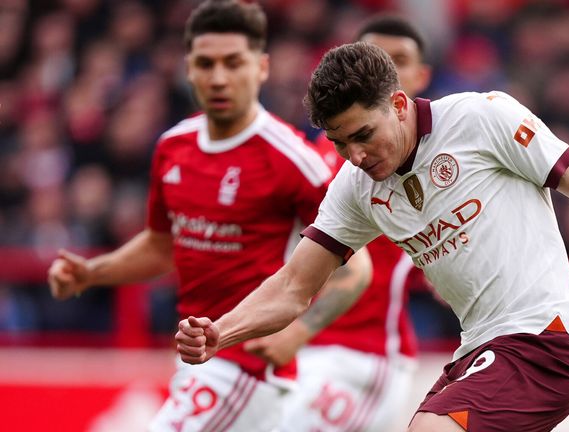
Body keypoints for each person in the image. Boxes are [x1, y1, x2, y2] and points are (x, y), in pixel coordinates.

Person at [175, 42, 569, 431]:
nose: (356, 155)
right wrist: (219, 333)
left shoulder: (480, 119)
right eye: (342, 143)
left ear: (398, 104)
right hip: (479, 351)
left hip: (545, 339)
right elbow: (295, 287)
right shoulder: (356, 187)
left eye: (364, 135)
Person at [46, 2, 371, 431]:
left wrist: (296, 333)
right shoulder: (172, 146)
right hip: (195, 364)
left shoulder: (291, 158)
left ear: (261, 67)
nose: (219, 77)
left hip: (245, 369)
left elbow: (355, 268)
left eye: (233, 63)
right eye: (206, 63)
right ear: (189, 69)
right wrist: (91, 272)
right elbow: (162, 246)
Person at [243, 15, 433, 431]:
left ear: (418, 79)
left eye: (400, 60)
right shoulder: (319, 158)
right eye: (377, 57)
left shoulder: (436, 161)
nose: (389, 69)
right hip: (296, 348)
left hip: (360, 355)